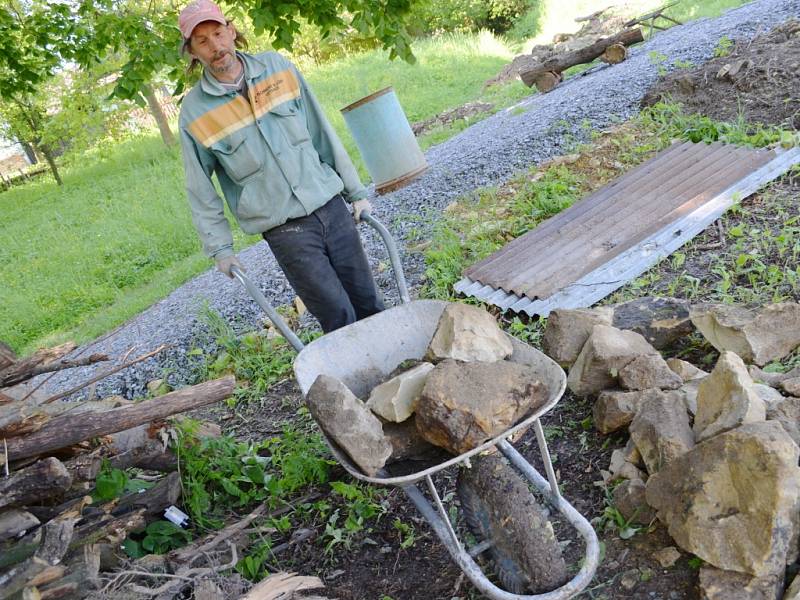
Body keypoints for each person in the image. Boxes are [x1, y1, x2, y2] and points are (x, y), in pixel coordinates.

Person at [177, 0, 384, 333]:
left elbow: (321, 131)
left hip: (329, 203)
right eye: (203, 41)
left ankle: (400, 367)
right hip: (286, 229)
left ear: (231, 31)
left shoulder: (276, 67)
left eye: (218, 33)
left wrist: (355, 191)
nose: (215, 46)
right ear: (192, 51)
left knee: (368, 300)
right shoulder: (194, 111)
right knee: (337, 314)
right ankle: (362, 379)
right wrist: (220, 249)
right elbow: (199, 187)